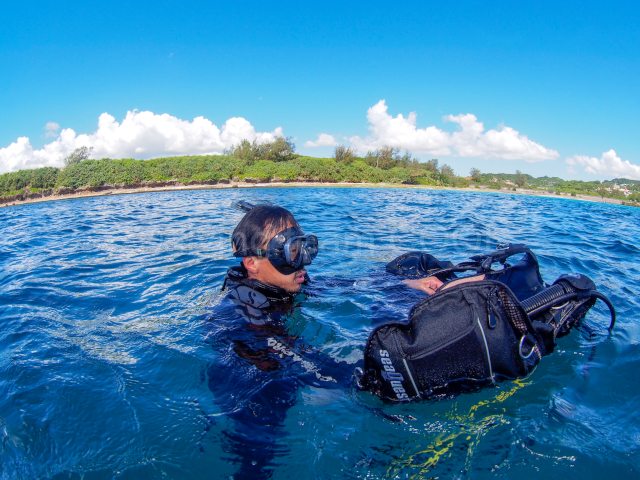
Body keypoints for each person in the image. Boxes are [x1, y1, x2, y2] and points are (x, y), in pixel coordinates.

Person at [204, 205, 356, 479]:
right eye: (289, 252)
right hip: (250, 381)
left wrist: (404, 281)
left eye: (302, 248)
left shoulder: (285, 281)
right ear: (252, 263)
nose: (302, 262)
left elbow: (346, 285)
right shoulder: (242, 310)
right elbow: (283, 351)